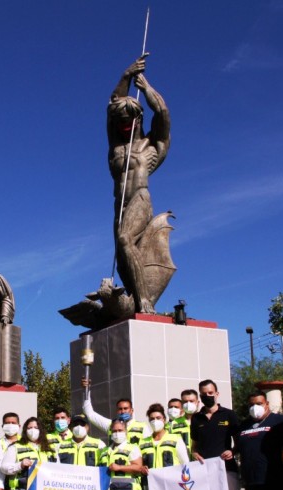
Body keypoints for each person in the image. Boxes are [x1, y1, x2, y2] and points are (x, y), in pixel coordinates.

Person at [108, 56, 171, 313]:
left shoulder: (151, 147)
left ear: (139, 119)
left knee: (125, 239)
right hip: (119, 206)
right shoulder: (115, 147)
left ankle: (145, 301)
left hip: (140, 199)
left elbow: (163, 113)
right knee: (123, 261)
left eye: (129, 120)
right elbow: (113, 102)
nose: (125, 125)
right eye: (121, 121)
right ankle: (134, 299)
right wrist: (126, 74)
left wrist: (145, 88)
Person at [81, 377, 151, 444]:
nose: (123, 411)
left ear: (132, 410)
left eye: (126, 408)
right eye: (120, 409)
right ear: (116, 411)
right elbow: (89, 413)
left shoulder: (142, 427)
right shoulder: (110, 425)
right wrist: (86, 390)